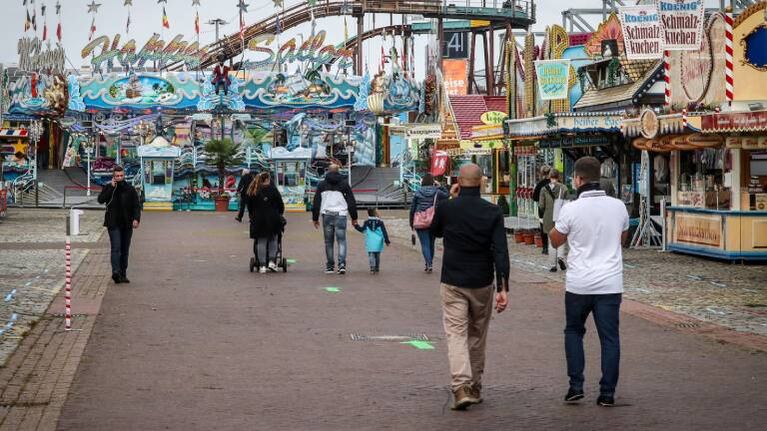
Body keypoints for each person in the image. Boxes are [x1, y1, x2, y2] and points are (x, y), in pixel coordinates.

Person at [549, 156, 630, 408]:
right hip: (609, 282)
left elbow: (555, 240)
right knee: (610, 338)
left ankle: (576, 386)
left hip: (579, 283)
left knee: (574, 331)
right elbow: (622, 239)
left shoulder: (571, 209)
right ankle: (607, 392)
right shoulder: (618, 206)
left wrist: (557, 224)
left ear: (578, 179)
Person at [430, 163, 510, 410]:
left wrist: (452, 199)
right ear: (482, 183)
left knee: (456, 333)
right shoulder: (493, 212)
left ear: (458, 182)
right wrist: (502, 287)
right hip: (482, 281)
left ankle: (461, 385)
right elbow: (500, 250)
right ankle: (474, 386)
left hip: (453, 280)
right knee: (477, 335)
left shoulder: (447, 208)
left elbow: (435, 232)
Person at [97, 165, 141, 284]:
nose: (119, 178)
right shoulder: (108, 187)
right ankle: (115, 272)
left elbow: (136, 206)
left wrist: (136, 219)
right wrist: (111, 187)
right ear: (113, 177)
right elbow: (100, 200)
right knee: (116, 248)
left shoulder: (130, 189)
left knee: (124, 249)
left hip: (127, 223)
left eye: (121, 176)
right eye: (117, 176)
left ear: (124, 176)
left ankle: (123, 273)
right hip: (113, 223)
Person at [312, 164, 358, 274]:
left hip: (327, 215)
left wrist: (315, 218)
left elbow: (316, 202)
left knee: (328, 242)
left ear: (328, 171)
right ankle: (341, 264)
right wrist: (354, 217)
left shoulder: (322, 185)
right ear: (338, 171)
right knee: (341, 240)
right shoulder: (344, 184)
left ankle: (330, 266)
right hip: (341, 215)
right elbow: (351, 201)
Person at [245, 171, 285, 273]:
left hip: (258, 219)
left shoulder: (253, 191)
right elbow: (280, 205)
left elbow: (249, 207)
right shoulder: (273, 190)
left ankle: (262, 265)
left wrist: (252, 216)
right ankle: (272, 261)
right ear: (267, 179)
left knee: (261, 241)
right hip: (273, 218)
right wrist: (279, 213)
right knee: (273, 239)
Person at [409, 173, 448, 273]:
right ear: (433, 182)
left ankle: (428, 263)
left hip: (420, 221)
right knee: (431, 243)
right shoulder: (437, 191)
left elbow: (412, 208)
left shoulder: (418, 192)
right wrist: (440, 186)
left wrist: (411, 221)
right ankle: (429, 263)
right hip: (433, 220)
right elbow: (447, 195)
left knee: (425, 244)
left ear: (422, 182)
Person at [539, 169, 568, 272]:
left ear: (550, 177)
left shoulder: (544, 189)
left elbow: (541, 206)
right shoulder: (563, 188)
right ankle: (560, 257)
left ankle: (553, 265)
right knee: (562, 237)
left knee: (551, 240)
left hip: (548, 217)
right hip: (561, 216)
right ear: (558, 176)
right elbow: (567, 203)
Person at [354, 208, 391, 274]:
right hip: (378, 242)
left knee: (371, 255)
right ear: (375, 214)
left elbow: (362, 230)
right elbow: (384, 232)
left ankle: (372, 268)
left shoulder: (367, 222)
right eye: (377, 212)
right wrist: (387, 241)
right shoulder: (380, 222)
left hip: (370, 242)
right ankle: (377, 268)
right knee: (377, 256)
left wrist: (356, 225)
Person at [532, 165, 552, 255]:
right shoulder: (555, 183)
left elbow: (535, 198)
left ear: (542, 173)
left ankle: (545, 248)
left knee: (543, 228)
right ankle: (554, 247)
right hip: (554, 209)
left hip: (542, 210)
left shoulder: (540, 184)